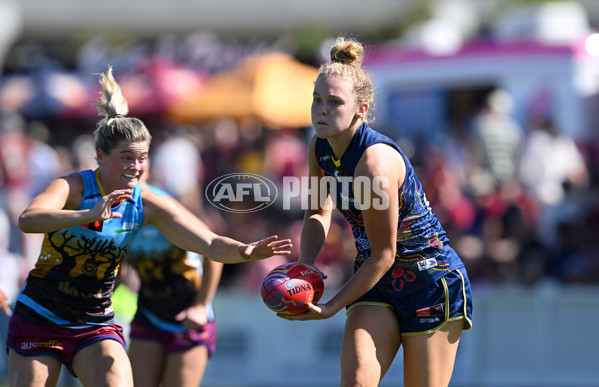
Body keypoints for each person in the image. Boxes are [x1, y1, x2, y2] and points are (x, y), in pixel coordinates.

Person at [5, 66, 292, 387]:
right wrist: (85, 215)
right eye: (127, 157)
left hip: (94, 321)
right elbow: (28, 219)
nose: (136, 167)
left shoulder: (150, 203)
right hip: (41, 315)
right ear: (100, 156)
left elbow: (209, 245)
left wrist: (245, 251)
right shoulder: (71, 187)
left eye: (142, 158)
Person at [279, 37, 473, 387]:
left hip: (429, 280)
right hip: (377, 281)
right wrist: (305, 268)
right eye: (317, 100)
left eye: (334, 102)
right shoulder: (319, 147)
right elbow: (316, 214)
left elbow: (385, 253)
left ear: (362, 110)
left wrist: (331, 306)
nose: (322, 109)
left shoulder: (374, 163)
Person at [123, 169, 223, 387]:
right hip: (148, 314)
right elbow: (118, 265)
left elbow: (214, 251)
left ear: (147, 169)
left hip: (188, 318)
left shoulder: (164, 207)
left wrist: (201, 305)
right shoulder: (113, 214)